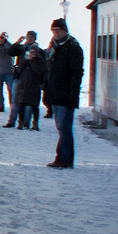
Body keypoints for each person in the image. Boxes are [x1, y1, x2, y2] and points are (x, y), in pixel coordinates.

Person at [43, 18, 84, 168]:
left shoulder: (73, 47)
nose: (56, 33)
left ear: (65, 30)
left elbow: (77, 73)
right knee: (61, 128)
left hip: (65, 95)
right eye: (54, 31)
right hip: (55, 94)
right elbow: (49, 72)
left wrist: (72, 94)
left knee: (64, 128)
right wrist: (47, 91)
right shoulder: (54, 48)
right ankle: (61, 157)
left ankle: (64, 159)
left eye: (58, 31)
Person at [11, 44, 46, 129]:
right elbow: (19, 70)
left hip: (34, 86)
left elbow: (39, 71)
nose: (32, 54)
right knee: (21, 105)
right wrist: (24, 61)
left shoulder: (40, 61)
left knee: (34, 106)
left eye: (34, 52)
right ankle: (20, 123)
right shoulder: (25, 60)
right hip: (23, 86)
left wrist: (32, 61)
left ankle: (35, 124)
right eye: (31, 52)